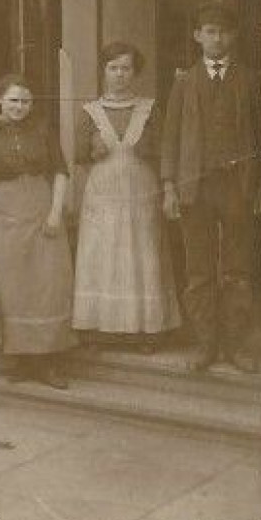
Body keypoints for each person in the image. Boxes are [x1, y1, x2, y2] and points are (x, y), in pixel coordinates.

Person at [0, 73, 77, 388]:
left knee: (48, 286)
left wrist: (55, 213)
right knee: (14, 289)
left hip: (41, 211)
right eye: (13, 100)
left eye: (25, 101)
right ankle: (22, 362)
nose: (19, 106)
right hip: (3, 215)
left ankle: (48, 364)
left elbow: (61, 171)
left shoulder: (43, 129)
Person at [161, 2, 261, 373]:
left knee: (237, 267)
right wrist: (169, 186)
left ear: (232, 37)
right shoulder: (184, 83)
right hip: (195, 187)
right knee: (199, 270)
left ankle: (235, 346)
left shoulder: (250, 80)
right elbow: (170, 139)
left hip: (239, 187)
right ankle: (205, 345)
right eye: (209, 31)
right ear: (197, 36)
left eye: (222, 31)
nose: (216, 38)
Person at [71, 42, 181, 350]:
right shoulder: (89, 111)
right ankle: (100, 328)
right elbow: (78, 156)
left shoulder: (149, 108)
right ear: (104, 71)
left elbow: (165, 151)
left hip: (141, 193)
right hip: (103, 195)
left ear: (136, 72)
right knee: (103, 258)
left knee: (142, 257)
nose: (120, 75)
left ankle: (146, 329)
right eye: (113, 68)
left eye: (126, 68)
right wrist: (93, 150)